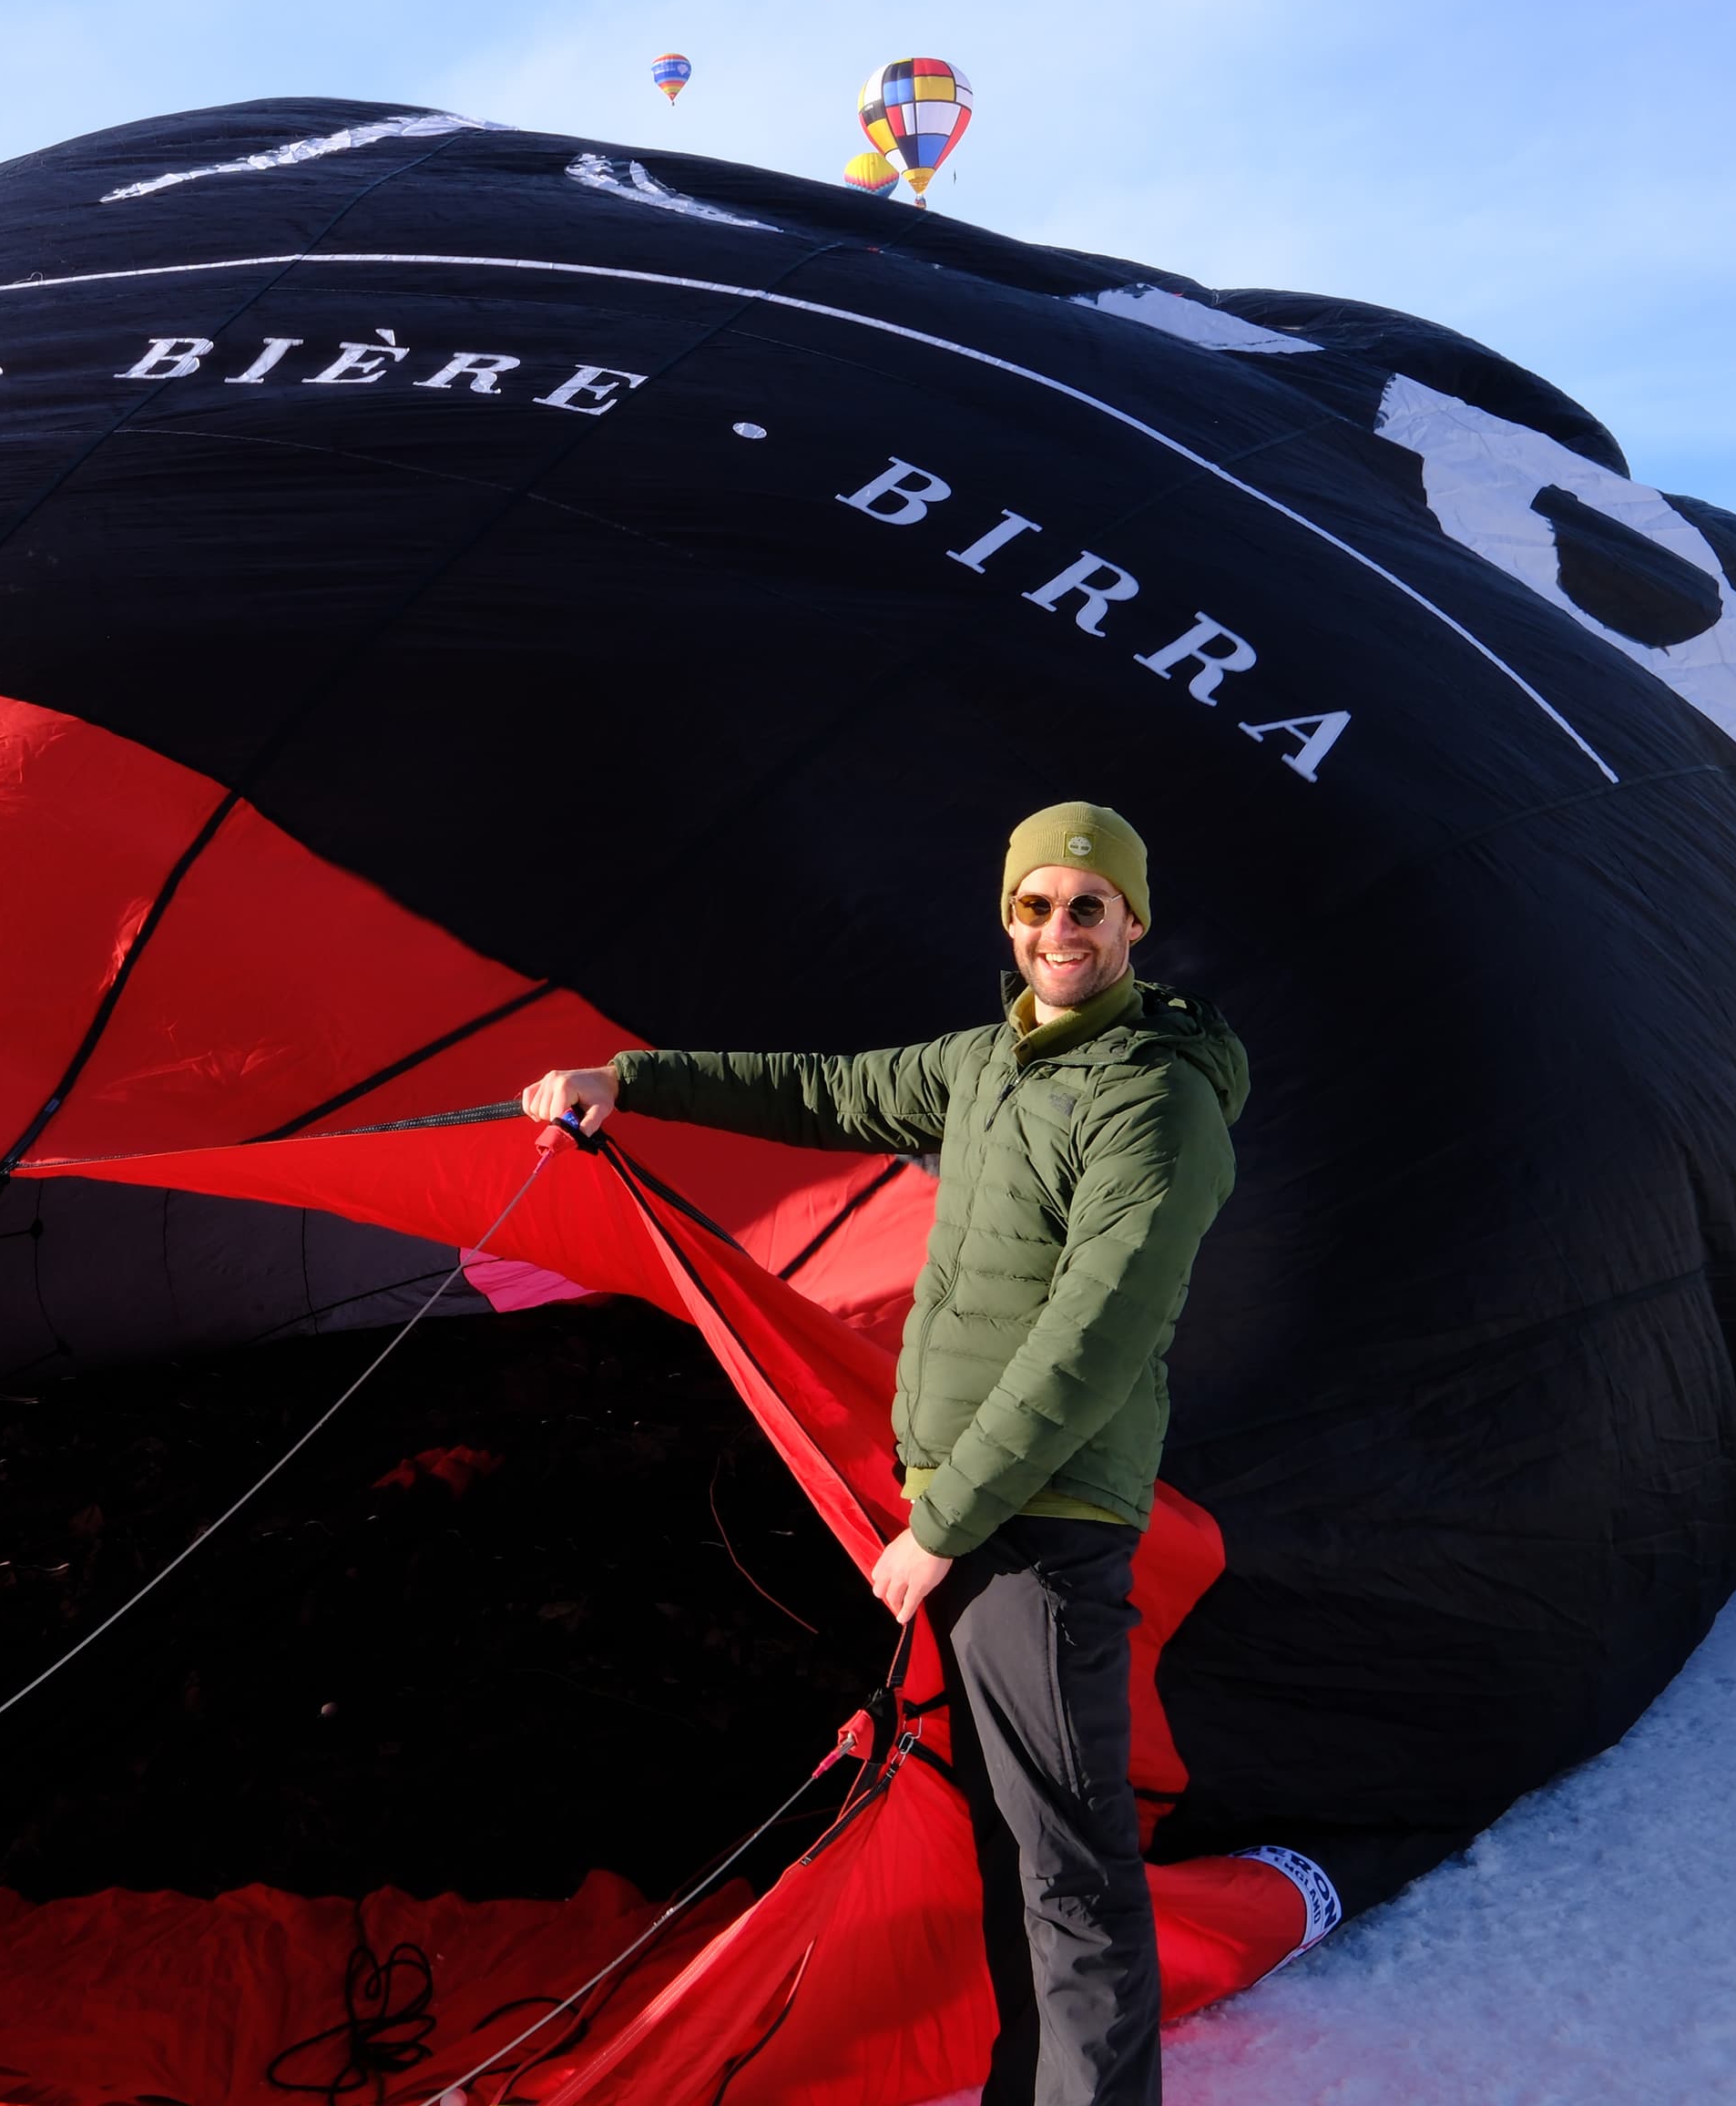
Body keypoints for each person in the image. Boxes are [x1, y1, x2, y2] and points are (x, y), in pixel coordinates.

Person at [521, 802, 1244, 2106]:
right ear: (1008, 918)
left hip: (1043, 1518)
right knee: (1017, 1857)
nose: (1061, 929)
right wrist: (628, 1079)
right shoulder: (986, 1063)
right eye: (1037, 904)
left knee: (1070, 1870)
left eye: (1089, 905)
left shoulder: (1158, 1100)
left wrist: (943, 1524)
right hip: (969, 1511)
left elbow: (1095, 1337)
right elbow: (819, 1091)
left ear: (1135, 921)